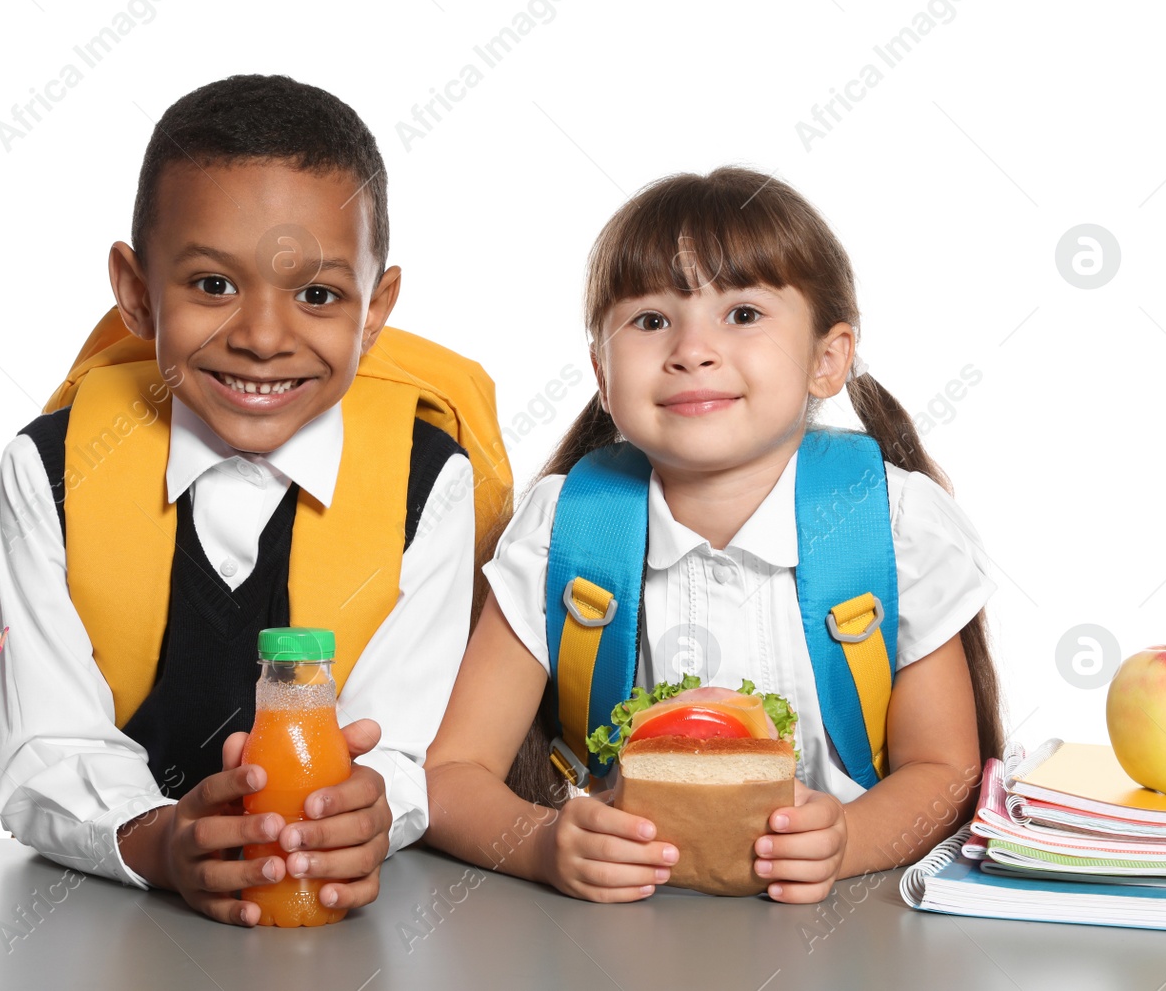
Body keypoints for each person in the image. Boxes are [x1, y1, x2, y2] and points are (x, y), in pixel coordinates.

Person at [0, 74, 503, 925]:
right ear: (137, 289)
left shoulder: (428, 478)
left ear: (375, 309)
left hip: (332, 920)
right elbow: (44, 741)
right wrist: (159, 839)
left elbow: (406, 746)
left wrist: (368, 806)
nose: (263, 337)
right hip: (107, 929)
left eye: (319, 295)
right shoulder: (48, 470)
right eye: (213, 286)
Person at [424, 166, 1003, 905]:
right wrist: (544, 846)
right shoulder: (566, 530)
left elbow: (945, 770)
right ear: (603, 373)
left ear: (828, 359)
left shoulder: (888, 526)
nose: (692, 349)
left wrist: (847, 840)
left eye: (744, 313)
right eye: (651, 320)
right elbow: (451, 774)